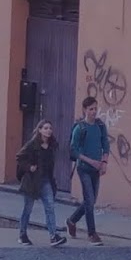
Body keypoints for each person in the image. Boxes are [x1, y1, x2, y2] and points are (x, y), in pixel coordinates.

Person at [65, 96, 110, 245]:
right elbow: (73, 150)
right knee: (89, 200)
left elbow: (105, 144)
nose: (94, 112)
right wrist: (91, 161)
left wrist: (104, 162)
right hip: (84, 168)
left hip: (96, 169)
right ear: (85, 110)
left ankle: (72, 220)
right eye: (91, 109)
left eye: (95, 108)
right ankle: (92, 233)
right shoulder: (80, 128)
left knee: (91, 200)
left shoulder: (100, 126)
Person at [16, 120, 67, 247]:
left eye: (50, 128)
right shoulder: (32, 144)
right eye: (45, 128)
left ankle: (53, 236)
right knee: (28, 209)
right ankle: (22, 235)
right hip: (32, 181)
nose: (48, 130)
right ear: (39, 130)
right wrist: (29, 167)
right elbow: (19, 157)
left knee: (50, 206)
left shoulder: (51, 145)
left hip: (45, 180)